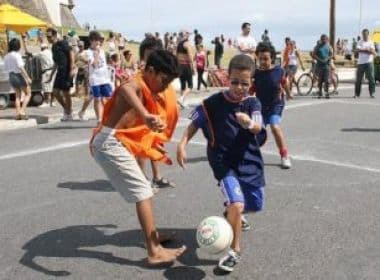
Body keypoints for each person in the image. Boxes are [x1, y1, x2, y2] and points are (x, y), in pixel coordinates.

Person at [90, 50, 186, 265]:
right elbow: (125, 89)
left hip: (116, 142)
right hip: (109, 143)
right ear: (150, 71)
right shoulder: (135, 83)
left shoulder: (148, 86)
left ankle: (153, 236)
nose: (164, 86)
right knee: (143, 192)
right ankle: (154, 251)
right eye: (164, 80)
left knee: (145, 189)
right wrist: (145, 115)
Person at [177, 54, 266, 272]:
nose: (238, 87)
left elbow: (258, 126)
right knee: (237, 203)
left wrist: (249, 124)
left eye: (244, 83)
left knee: (254, 204)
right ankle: (235, 250)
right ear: (227, 77)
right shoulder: (213, 103)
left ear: (251, 82)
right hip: (222, 162)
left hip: (249, 162)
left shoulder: (253, 103)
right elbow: (195, 124)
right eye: (234, 81)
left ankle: (233, 214)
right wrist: (182, 144)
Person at [137, 36, 177, 190]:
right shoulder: (142, 74)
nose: (152, 58)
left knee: (156, 143)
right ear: (143, 57)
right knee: (142, 145)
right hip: (144, 114)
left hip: (157, 113)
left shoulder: (162, 72)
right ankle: (141, 179)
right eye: (149, 55)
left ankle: (157, 176)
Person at [252, 42, 292, 169]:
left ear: (272, 58)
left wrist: (289, 93)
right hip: (260, 107)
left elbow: (284, 83)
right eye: (260, 59)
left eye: (266, 58)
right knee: (256, 130)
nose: (263, 61)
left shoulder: (279, 71)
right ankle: (250, 155)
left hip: (276, 104)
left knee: (275, 126)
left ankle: (284, 155)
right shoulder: (256, 73)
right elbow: (251, 90)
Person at [46, 27, 75, 121]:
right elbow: (56, 62)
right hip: (60, 71)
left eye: (50, 36)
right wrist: (51, 76)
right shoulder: (53, 47)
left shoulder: (62, 43)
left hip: (67, 70)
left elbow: (71, 53)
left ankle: (68, 113)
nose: (48, 39)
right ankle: (68, 110)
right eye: (47, 37)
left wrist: (72, 68)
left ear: (54, 35)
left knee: (66, 93)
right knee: (55, 92)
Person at [87, 31, 113, 122]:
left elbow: (105, 64)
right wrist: (96, 55)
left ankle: (108, 116)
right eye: (96, 41)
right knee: (97, 99)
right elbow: (94, 65)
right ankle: (99, 119)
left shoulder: (101, 50)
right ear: (91, 41)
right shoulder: (89, 52)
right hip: (95, 79)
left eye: (99, 40)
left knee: (109, 98)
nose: (99, 43)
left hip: (104, 78)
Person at [3, 38, 32, 120]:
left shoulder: (6, 56)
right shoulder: (17, 55)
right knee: (28, 93)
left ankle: (17, 114)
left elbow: (5, 68)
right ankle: (22, 111)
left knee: (17, 95)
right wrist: (28, 77)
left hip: (11, 76)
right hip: (18, 75)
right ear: (18, 46)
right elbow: (21, 67)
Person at [354, 29, 377, 98]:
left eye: (365, 34)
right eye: (363, 34)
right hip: (360, 63)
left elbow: (372, 52)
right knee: (358, 79)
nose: (364, 35)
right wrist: (367, 50)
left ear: (368, 34)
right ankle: (357, 94)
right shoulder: (359, 42)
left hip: (369, 63)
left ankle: (372, 93)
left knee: (371, 79)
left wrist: (363, 50)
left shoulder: (371, 42)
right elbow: (357, 50)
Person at [176, 30, 194, 108]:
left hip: (179, 65)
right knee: (190, 85)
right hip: (186, 65)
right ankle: (181, 98)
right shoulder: (187, 44)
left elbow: (176, 56)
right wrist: (193, 67)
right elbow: (190, 56)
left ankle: (182, 102)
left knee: (183, 85)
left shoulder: (179, 44)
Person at [312, 34, 333, 99]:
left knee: (327, 80)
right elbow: (314, 54)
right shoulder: (317, 46)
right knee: (320, 80)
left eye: (325, 39)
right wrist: (319, 59)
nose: (324, 40)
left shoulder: (329, 46)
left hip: (327, 65)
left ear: (327, 39)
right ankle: (320, 92)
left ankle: (327, 92)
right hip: (319, 66)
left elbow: (332, 54)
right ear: (321, 39)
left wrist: (328, 58)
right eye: (322, 39)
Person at [37, 43, 55, 107]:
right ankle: (52, 102)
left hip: (46, 71)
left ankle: (46, 102)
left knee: (46, 87)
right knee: (53, 87)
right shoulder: (51, 52)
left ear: (42, 48)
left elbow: (31, 55)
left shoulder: (41, 53)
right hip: (53, 71)